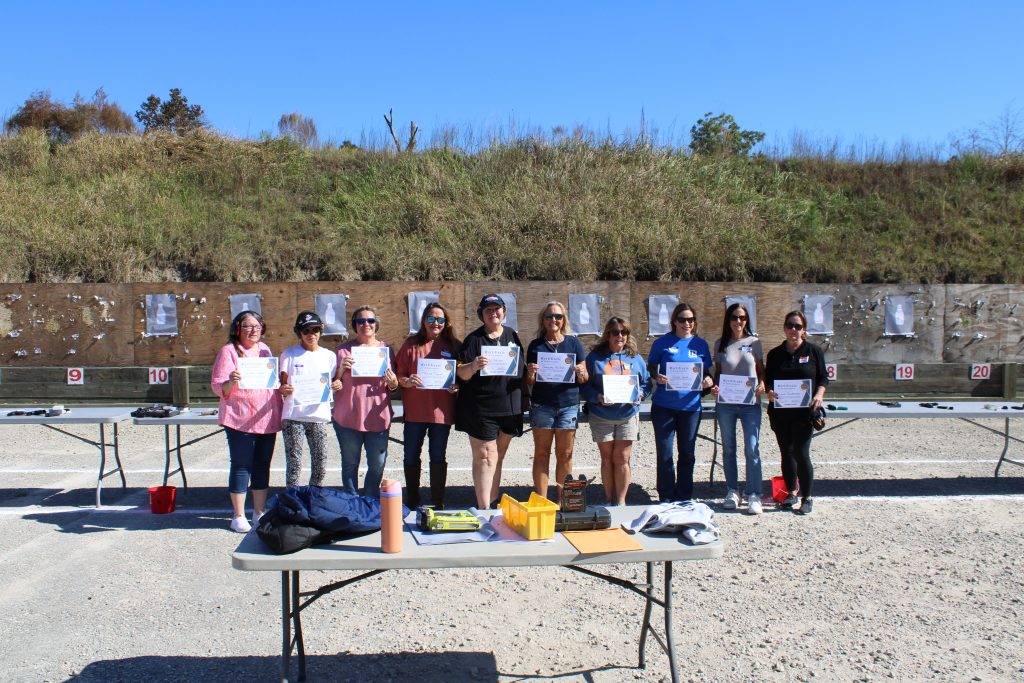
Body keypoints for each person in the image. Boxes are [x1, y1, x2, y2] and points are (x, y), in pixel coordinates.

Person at [210, 311, 283, 533]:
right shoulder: (228, 352)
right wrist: (231, 381)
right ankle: (238, 515)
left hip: (266, 416)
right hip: (239, 418)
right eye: (248, 326)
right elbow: (217, 387)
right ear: (238, 329)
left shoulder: (265, 350)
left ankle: (259, 512)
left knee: (262, 465)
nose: (253, 330)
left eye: (257, 326)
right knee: (242, 465)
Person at [456, 294, 525, 509]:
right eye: (488, 310)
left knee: (498, 455)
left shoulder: (512, 335)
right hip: (481, 407)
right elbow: (461, 374)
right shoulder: (474, 339)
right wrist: (474, 365)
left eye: (497, 309)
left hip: (509, 406)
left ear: (504, 312)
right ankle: (484, 509)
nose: (493, 313)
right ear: (481, 315)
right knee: (485, 455)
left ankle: (492, 501)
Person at [580, 317, 652, 505]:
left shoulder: (635, 358)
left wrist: (641, 394)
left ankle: (620, 502)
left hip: (627, 415)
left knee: (622, 457)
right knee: (607, 458)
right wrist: (598, 397)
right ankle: (609, 498)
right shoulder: (595, 357)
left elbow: (646, 383)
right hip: (601, 415)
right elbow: (584, 386)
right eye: (615, 332)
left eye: (624, 332)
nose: (619, 336)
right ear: (608, 335)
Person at [395, 302, 460, 509]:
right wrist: (407, 381)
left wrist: (456, 387)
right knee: (411, 455)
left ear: (446, 323)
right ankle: (413, 499)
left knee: (438, 456)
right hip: (415, 412)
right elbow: (399, 375)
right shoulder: (411, 344)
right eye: (431, 319)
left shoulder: (453, 346)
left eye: (440, 319)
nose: (436, 323)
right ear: (424, 321)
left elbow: (461, 376)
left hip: (441, 413)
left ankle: (437, 501)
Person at [647, 303, 714, 502]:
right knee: (665, 453)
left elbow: (707, 374)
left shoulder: (700, 344)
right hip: (664, 407)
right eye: (682, 319)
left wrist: (708, 381)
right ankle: (666, 496)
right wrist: (656, 375)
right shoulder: (662, 343)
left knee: (687, 454)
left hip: (690, 407)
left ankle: (684, 495)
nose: (687, 323)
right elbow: (651, 367)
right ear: (674, 321)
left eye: (690, 320)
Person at [764, 310, 828, 515]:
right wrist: (769, 392)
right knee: (786, 453)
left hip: (804, 413)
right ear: (784, 328)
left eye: (798, 326)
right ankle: (791, 492)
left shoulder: (814, 351)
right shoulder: (775, 354)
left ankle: (807, 497)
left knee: (801, 453)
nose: (793, 329)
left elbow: (823, 378)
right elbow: (769, 380)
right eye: (790, 325)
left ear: (804, 330)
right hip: (781, 412)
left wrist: (819, 394)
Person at [525, 301, 588, 501]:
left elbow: (584, 378)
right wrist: (530, 373)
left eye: (558, 316)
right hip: (542, 405)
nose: (554, 320)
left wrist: (581, 372)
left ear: (564, 320)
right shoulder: (535, 345)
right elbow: (529, 382)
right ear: (543, 320)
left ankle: (564, 501)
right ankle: (542, 501)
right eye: (550, 316)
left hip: (568, 406)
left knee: (565, 454)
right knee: (542, 454)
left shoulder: (574, 343)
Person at [333, 305, 398, 497]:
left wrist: (393, 383)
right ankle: (351, 500)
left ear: (376, 324)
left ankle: (369, 499)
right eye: (361, 321)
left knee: (377, 464)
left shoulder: (386, 350)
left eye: (370, 320)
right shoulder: (343, 351)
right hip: (347, 417)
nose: (366, 324)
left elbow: (392, 386)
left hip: (376, 418)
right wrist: (340, 371)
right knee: (350, 463)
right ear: (355, 325)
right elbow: (334, 383)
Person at [711, 303, 766, 514]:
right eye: (734, 317)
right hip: (726, 404)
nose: (738, 321)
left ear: (747, 320)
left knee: (752, 448)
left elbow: (761, 371)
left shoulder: (755, 343)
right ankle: (732, 490)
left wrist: (762, 383)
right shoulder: (720, 344)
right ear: (728, 320)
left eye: (742, 317)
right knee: (729, 448)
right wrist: (715, 387)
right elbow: (718, 373)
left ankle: (754, 493)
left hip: (750, 404)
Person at [278, 311, 342, 489]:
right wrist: (284, 389)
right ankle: (293, 502)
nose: (311, 334)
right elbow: (281, 385)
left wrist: (336, 385)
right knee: (294, 464)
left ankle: (314, 499)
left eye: (315, 329)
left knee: (320, 465)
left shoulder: (329, 356)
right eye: (306, 331)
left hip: (318, 416)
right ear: (299, 333)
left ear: (321, 331)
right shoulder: (289, 354)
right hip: (293, 417)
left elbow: (331, 382)